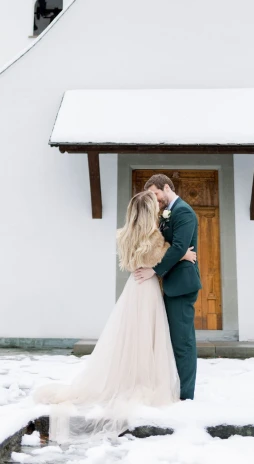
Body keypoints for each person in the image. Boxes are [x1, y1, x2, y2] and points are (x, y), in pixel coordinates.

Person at [33, 190, 197, 440]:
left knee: (130, 334)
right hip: (148, 290)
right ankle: (142, 380)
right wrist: (184, 254)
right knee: (145, 334)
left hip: (134, 287)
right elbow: (166, 255)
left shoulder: (125, 235)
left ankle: (129, 376)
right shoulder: (152, 238)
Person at [134, 174, 202, 400]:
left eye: (155, 194)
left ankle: (186, 395)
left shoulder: (183, 211)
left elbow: (180, 246)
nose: (155, 199)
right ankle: (173, 388)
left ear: (166, 187)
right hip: (171, 283)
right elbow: (170, 246)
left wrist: (155, 270)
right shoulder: (166, 212)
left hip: (182, 285)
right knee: (171, 340)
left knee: (183, 342)